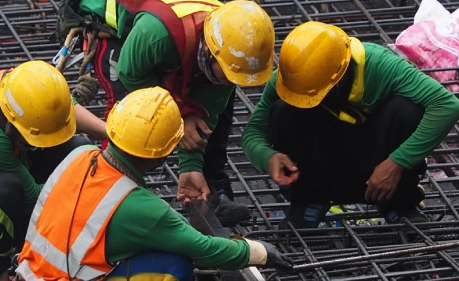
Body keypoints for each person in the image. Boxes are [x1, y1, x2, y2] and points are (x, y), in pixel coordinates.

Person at [52, 0, 276, 225]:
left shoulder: (234, 47)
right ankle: (110, 197)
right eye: (227, 74)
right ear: (210, 52)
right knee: (128, 113)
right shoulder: (158, 35)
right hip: (117, 27)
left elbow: (203, 116)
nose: (230, 81)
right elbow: (131, 74)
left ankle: (212, 190)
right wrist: (180, 114)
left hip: (164, 31)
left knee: (217, 98)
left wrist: (190, 166)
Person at [15, 86, 294, 281]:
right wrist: (257, 252)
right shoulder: (141, 209)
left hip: (29, 273)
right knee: (174, 266)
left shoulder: (79, 156)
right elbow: (205, 250)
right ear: (163, 154)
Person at [242, 21, 459, 229]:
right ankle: (308, 201)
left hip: (375, 166)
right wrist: (267, 157)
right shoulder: (290, 80)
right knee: (283, 110)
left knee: (408, 110)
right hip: (320, 165)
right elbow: (253, 133)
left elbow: (447, 106)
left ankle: (399, 204)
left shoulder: (380, 65)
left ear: (339, 76)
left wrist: (397, 162)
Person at [0, 60, 107, 281]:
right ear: (10, 125)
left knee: (77, 151)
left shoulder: (15, 84)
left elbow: (66, 107)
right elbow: (37, 199)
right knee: (5, 191)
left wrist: (110, 133)